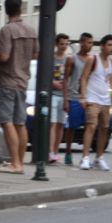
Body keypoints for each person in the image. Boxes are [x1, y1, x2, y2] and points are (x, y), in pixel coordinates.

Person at [0, 0, 39, 173]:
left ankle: (15, 163)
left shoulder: (7, 30)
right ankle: (20, 162)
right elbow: (35, 55)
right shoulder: (31, 30)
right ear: (21, 8)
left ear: (6, 9)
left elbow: (4, 56)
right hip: (23, 81)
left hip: (7, 81)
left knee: (6, 121)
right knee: (20, 123)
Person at [78, 34, 112, 171]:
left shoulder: (111, 62)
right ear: (102, 46)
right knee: (91, 126)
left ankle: (99, 158)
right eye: (109, 45)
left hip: (105, 100)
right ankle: (85, 158)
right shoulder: (92, 59)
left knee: (104, 128)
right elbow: (83, 78)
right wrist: (83, 97)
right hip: (92, 98)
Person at [62, 32, 94, 164]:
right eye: (88, 42)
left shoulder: (93, 60)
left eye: (92, 43)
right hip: (74, 97)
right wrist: (66, 99)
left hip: (89, 98)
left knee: (89, 127)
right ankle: (68, 152)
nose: (90, 45)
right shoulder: (72, 59)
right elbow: (65, 79)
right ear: (81, 43)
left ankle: (84, 156)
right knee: (72, 127)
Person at [48, 33, 73, 163]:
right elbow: (45, 74)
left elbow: (70, 78)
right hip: (52, 94)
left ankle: (56, 152)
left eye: (66, 44)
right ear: (57, 44)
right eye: (62, 44)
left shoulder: (69, 59)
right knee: (52, 124)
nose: (64, 46)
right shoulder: (51, 58)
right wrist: (52, 83)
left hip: (63, 95)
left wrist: (67, 96)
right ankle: (50, 151)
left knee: (60, 124)